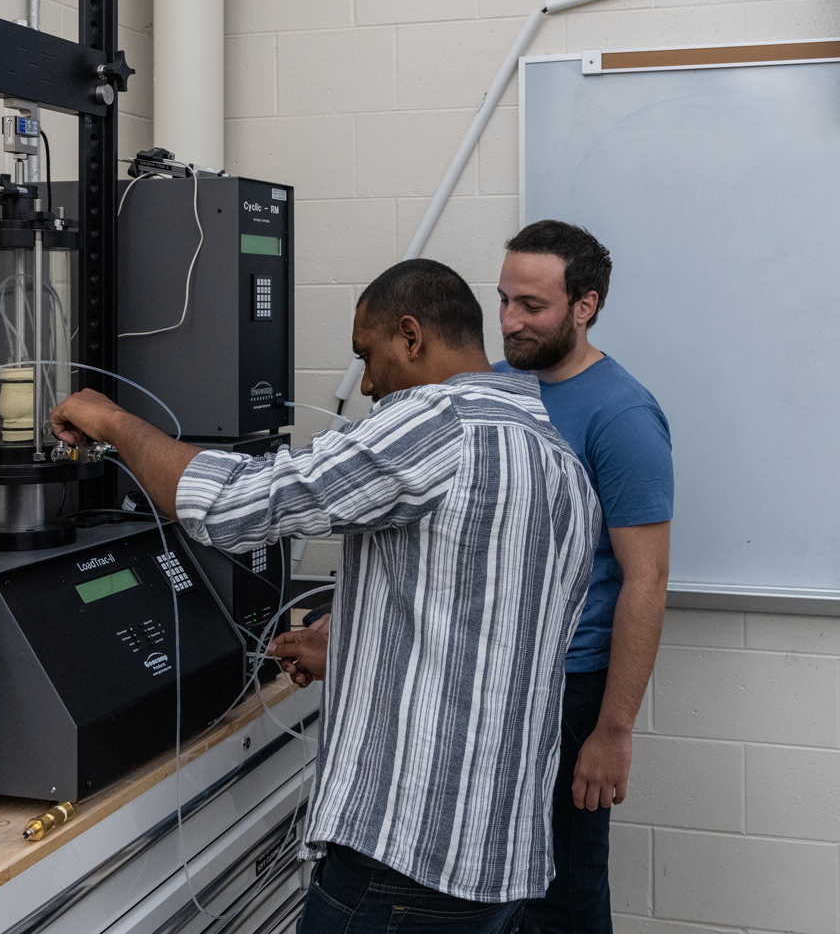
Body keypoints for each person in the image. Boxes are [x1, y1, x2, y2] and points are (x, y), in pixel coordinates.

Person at [50, 259, 600, 933]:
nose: (367, 383)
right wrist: (350, 643)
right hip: (496, 855)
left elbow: (232, 501)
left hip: (404, 860)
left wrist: (111, 419)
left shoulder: (436, 426)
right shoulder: (554, 454)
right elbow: (481, 626)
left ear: (411, 336)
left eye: (368, 357)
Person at [493, 220, 673, 934]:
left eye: (530, 306)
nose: (509, 320)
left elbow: (647, 582)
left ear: (584, 305)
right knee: (493, 890)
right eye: (504, 299)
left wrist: (612, 732)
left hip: (572, 692)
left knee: (562, 898)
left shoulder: (621, 414)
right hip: (500, 679)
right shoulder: (497, 391)